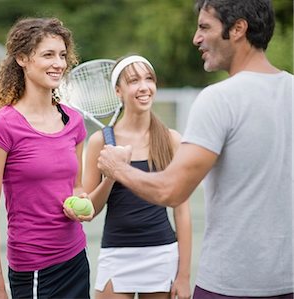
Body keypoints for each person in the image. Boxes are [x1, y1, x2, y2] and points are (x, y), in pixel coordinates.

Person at [97, 0, 293, 298]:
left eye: (204, 27)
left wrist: (117, 168)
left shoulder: (217, 99)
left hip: (228, 286)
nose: (196, 38)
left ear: (238, 29)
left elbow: (170, 192)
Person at [0, 17, 92, 299]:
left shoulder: (74, 121)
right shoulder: (2, 126)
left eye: (63, 55)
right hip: (35, 269)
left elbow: (76, 186)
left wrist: (84, 204)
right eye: (48, 55)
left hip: (77, 258)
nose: (59, 63)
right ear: (22, 58)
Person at [84, 55, 192, 299]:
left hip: (161, 253)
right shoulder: (99, 142)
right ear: (118, 91)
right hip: (116, 253)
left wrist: (183, 276)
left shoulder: (171, 139)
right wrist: (112, 174)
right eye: (134, 80)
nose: (144, 87)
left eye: (149, 79)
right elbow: (89, 211)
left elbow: (181, 211)